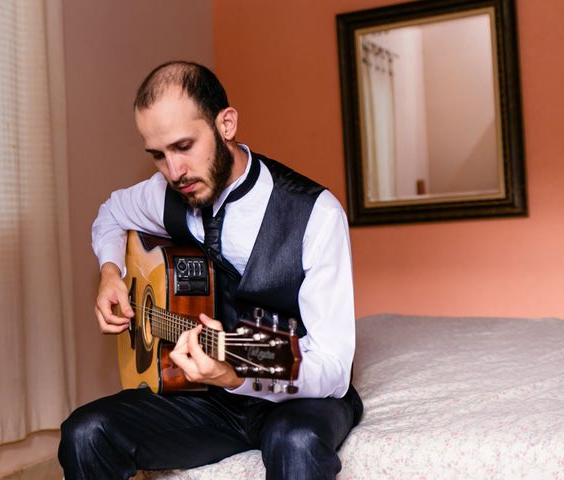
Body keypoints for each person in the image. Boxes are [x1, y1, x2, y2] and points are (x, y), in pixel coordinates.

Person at [59, 60, 363, 480]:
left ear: (226, 124)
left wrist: (236, 370)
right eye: (158, 155)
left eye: (184, 146)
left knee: (295, 444)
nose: (174, 171)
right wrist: (111, 271)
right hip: (209, 396)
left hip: (298, 396)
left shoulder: (315, 214)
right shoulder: (166, 190)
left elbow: (332, 366)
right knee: (85, 432)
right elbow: (110, 214)